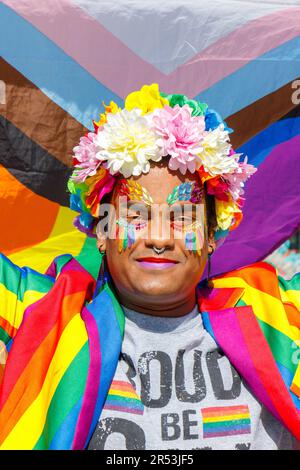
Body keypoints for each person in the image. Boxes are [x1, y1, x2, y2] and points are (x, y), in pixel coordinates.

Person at [0, 84, 299, 450]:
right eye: (136, 215)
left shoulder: (278, 314)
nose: (160, 237)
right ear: (103, 230)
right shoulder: (38, 312)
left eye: (183, 216)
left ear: (211, 234)